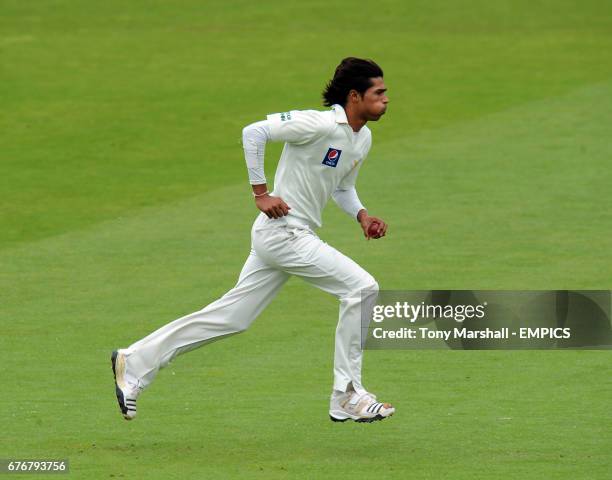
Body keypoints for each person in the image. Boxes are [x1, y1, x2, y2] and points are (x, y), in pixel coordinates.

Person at [111, 57, 394, 423]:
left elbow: (341, 185)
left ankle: (133, 362)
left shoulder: (363, 138)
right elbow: (253, 132)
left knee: (234, 317)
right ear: (354, 96)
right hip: (284, 232)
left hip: (286, 235)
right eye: (379, 92)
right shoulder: (318, 122)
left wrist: (361, 215)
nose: (386, 99)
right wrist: (260, 193)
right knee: (362, 288)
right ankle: (347, 394)